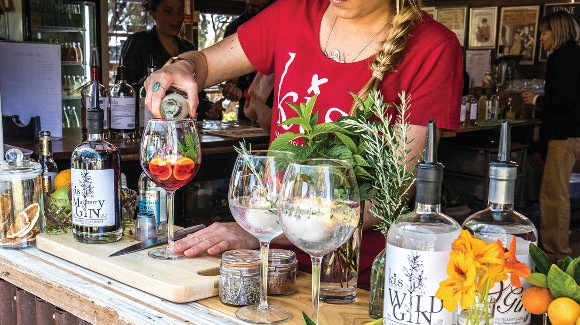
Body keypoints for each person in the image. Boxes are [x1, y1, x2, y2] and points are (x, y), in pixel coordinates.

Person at [145, 0, 462, 286]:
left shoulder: (433, 48)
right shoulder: (292, 14)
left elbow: (388, 198)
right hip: (273, 268)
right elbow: (203, 62)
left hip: (356, 282)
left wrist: (260, 230)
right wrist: (179, 69)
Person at [522, 10, 580, 262]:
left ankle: (556, 256)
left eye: (544, 32)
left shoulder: (563, 57)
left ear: (556, 32)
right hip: (571, 132)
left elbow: (564, 99)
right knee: (555, 195)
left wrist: (537, 99)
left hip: (564, 133)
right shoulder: (575, 55)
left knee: (553, 196)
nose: (542, 38)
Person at [120, 0, 223, 120]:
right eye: (168, 11)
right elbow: (123, 92)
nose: (177, 18)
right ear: (153, 13)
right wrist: (156, 81)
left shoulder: (188, 48)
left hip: (183, 128)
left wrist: (209, 108)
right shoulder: (138, 43)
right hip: (148, 126)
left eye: (180, 11)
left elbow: (197, 94)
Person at [220, 0, 275, 123]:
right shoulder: (235, 28)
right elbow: (233, 78)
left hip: (284, 108)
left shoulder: (287, 23)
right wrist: (233, 89)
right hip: (248, 111)